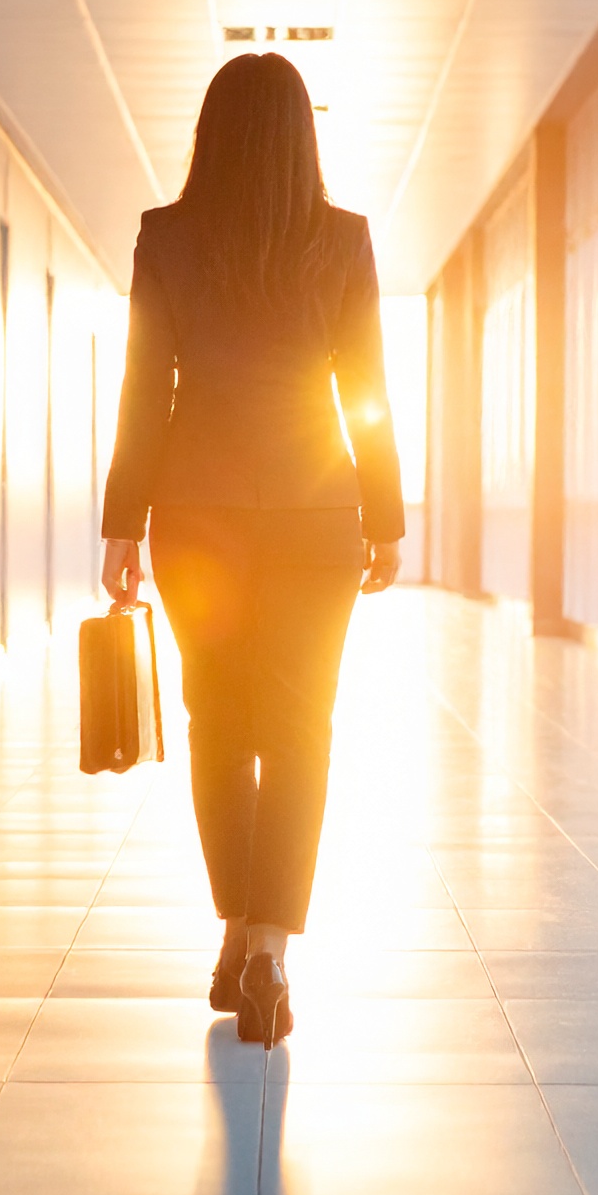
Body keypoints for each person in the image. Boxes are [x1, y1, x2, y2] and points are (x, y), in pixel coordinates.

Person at [99, 52, 403, 1048]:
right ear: (301, 137)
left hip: (199, 519)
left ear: (210, 133)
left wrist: (123, 522)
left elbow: (147, 388)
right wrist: (387, 515)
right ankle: (267, 945)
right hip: (318, 518)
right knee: (304, 724)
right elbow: (366, 390)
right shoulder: (343, 240)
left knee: (219, 721)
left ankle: (236, 925)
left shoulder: (169, 238)